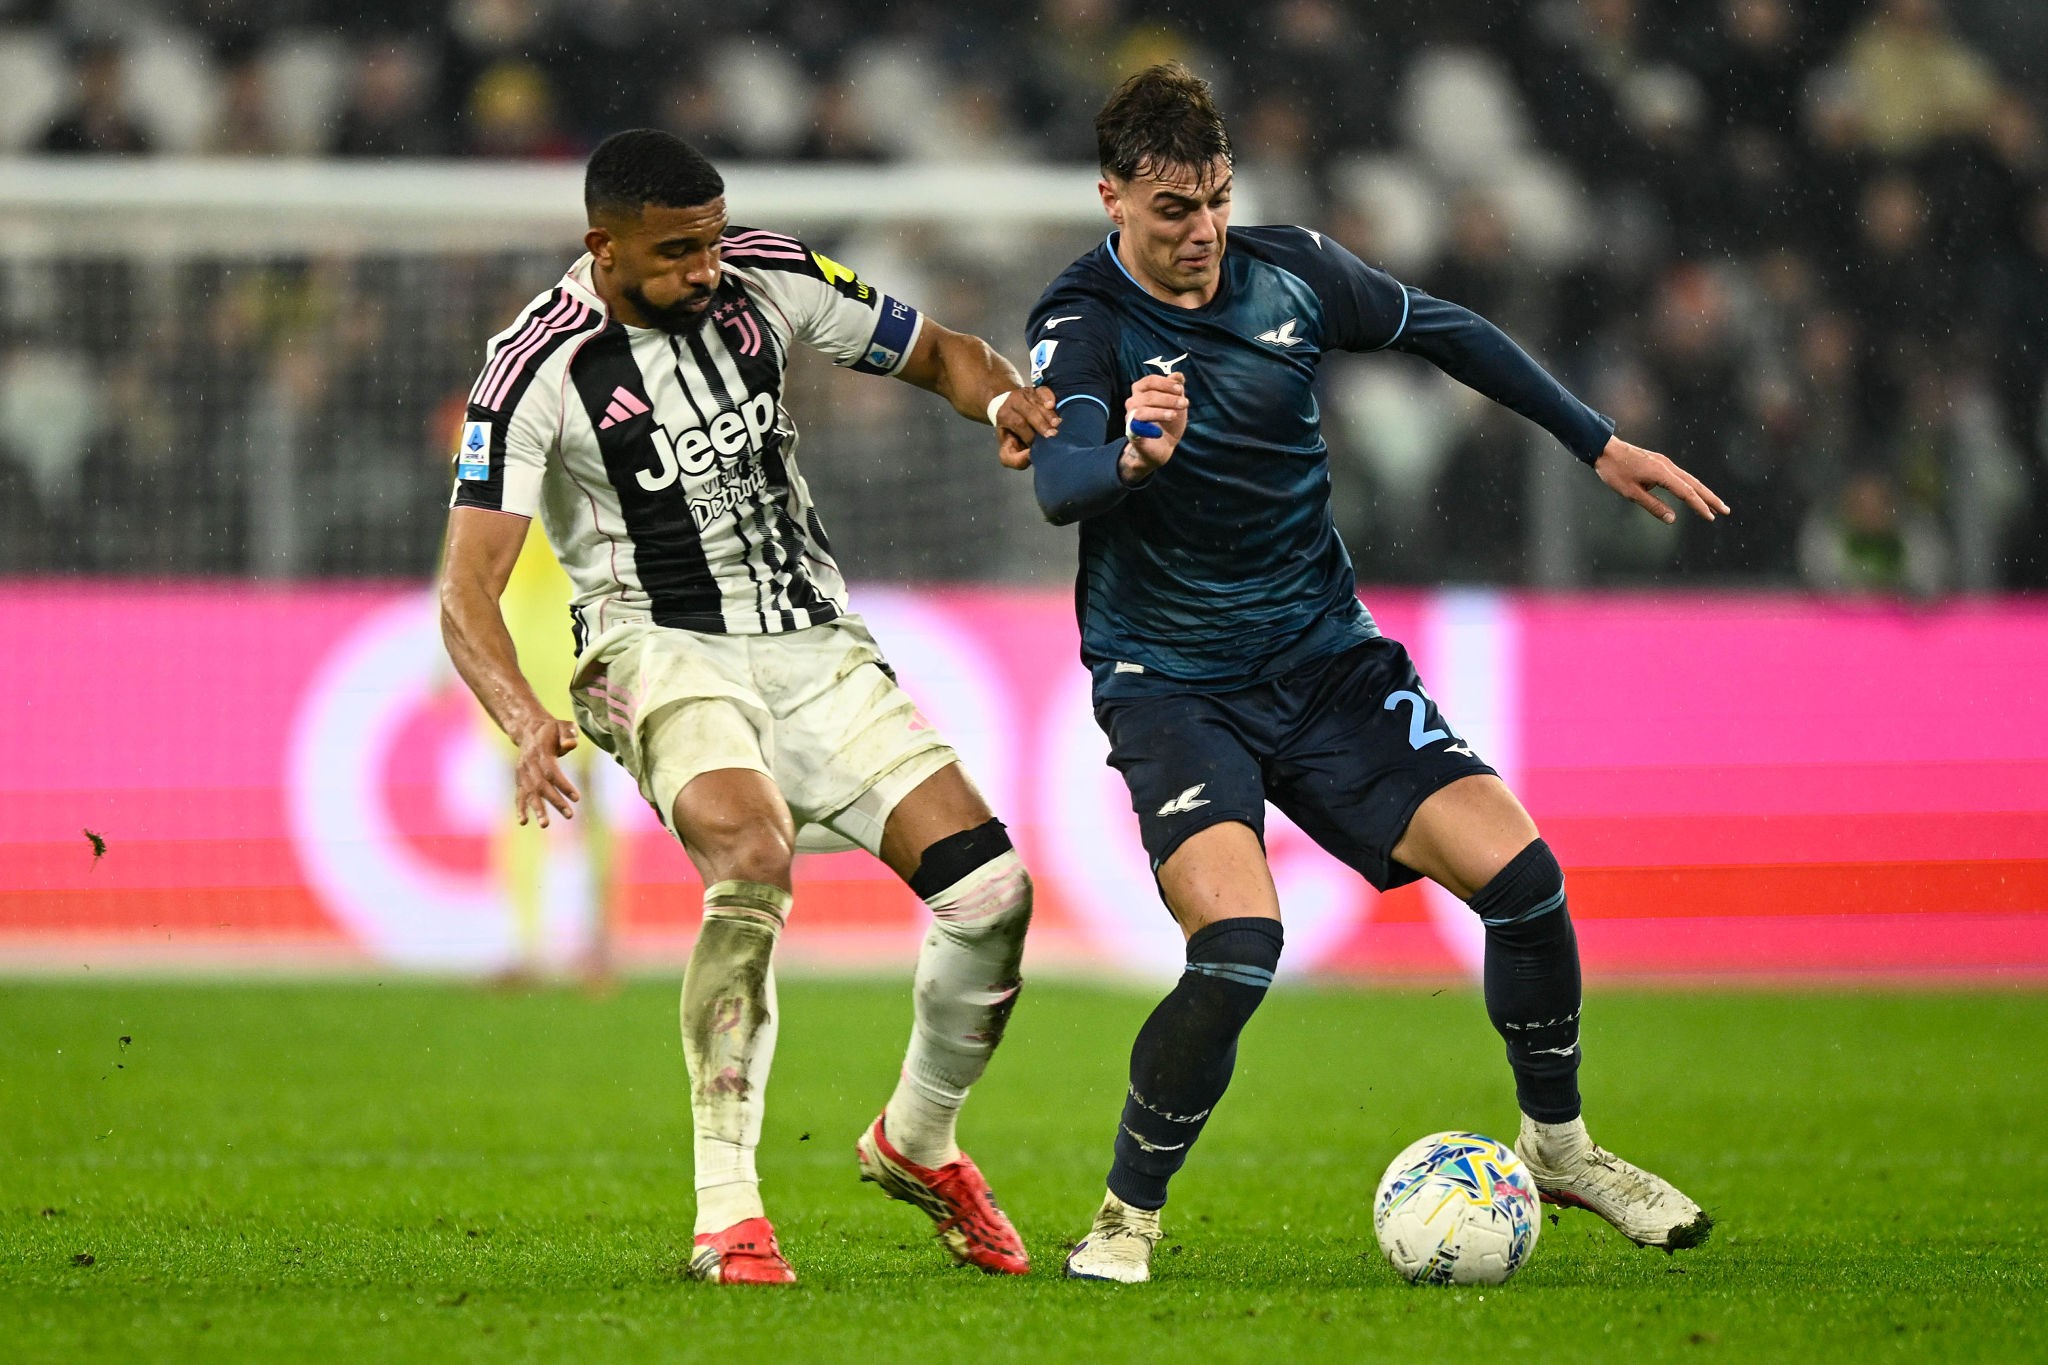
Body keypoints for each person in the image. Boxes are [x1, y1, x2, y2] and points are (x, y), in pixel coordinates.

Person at [1010, 65, 1727, 1283]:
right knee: (1238, 945)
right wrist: (1132, 457)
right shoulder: (1081, 320)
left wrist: (1594, 440)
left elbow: (1445, 329)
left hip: (1325, 659)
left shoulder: (1291, 272)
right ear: (1111, 199)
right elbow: (1058, 483)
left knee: (1526, 883)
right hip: (1173, 685)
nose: (1202, 231)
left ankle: (1559, 1149)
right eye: (1173, 209)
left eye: (1216, 199)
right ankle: (1126, 1217)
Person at [437, 129, 1059, 1285]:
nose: (703, 269)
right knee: (751, 852)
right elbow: (465, 587)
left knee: (991, 895)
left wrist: (1005, 401)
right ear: (603, 246)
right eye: (674, 253)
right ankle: (727, 1211)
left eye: (711, 242)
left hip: (810, 640)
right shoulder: (535, 367)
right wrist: (523, 719)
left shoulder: (767, 275)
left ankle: (917, 1141)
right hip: (652, 644)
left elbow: (943, 353)